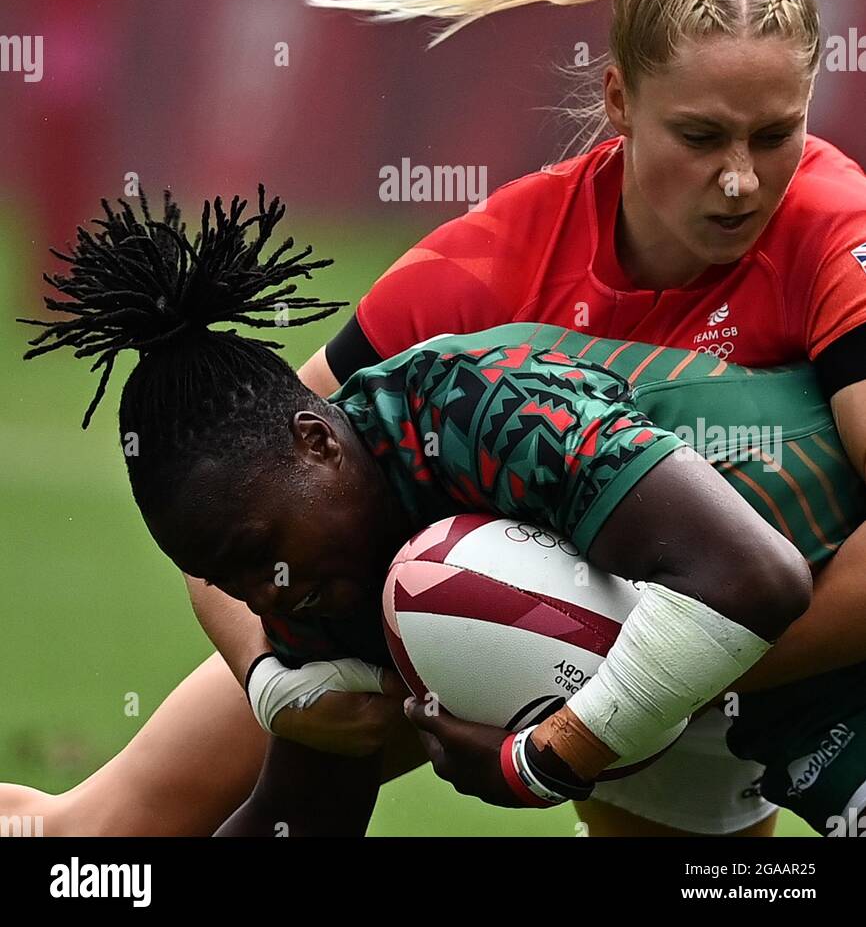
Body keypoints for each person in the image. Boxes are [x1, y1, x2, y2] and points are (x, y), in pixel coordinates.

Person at [6, 0, 866, 839]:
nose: (741, 179)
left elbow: (768, 585)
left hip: (741, 653)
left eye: (772, 134)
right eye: (698, 138)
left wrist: (615, 690)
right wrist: (289, 679)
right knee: (89, 845)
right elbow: (236, 494)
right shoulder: (495, 259)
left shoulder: (833, 230)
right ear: (617, 104)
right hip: (646, 667)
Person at [13, 186, 817, 832]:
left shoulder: (483, 409)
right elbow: (303, 814)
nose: (267, 594)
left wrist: (542, 760)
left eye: (257, 554)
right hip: (691, 682)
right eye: (231, 581)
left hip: (826, 576)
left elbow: (757, 577)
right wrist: (271, 686)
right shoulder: (309, 575)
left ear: (318, 443)